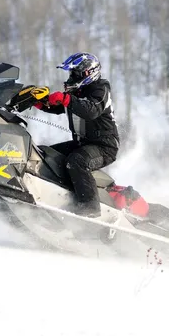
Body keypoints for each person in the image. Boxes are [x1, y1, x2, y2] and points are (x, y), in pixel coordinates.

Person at [33, 52, 119, 218]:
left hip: (105, 146)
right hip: (82, 143)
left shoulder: (101, 89)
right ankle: (54, 195)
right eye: (71, 73)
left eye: (74, 73)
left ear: (87, 72)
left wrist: (66, 99)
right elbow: (59, 106)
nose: (71, 77)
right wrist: (38, 101)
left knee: (77, 161)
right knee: (46, 154)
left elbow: (91, 110)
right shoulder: (77, 92)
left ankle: (90, 208)